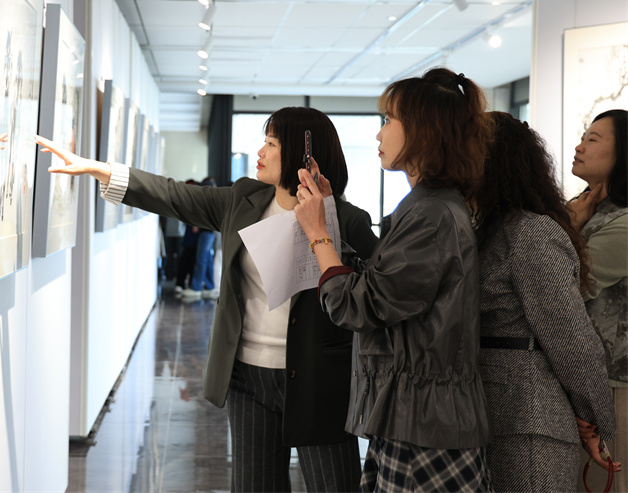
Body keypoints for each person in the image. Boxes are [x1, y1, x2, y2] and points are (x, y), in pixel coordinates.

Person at [37, 107, 378, 492]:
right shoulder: (243, 200)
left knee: (335, 486)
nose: (259, 152)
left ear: (303, 156)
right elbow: (174, 196)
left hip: (318, 379)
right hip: (247, 376)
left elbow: (379, 293)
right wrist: (99, 170)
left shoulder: (346, 220)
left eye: (271, 143)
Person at [293, 68, 492, 492]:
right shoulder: (426, 206)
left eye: (388, 120)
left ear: (423, 131)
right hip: (414, 417)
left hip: (425, 426)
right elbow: (382, 284)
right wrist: (327, 212)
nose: (379, 134)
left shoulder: (432, 215)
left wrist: (318, 233)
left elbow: (361, 305)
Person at [472, 112, 618, 491]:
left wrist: (595, 417)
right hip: (513, 415)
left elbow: (570, 340)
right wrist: (594, 415)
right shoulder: (499, 229)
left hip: (529, 424)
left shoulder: (527, 232)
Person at [568, 108, 628, 492]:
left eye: (593, 139)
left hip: (613, 383)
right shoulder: (585, 210)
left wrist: (568, 225)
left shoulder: (623, 222)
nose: (579, 146)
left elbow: (568, 285)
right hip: (584, 380)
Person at [182, 177, 219, 302]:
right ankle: (209, 286)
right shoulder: (214, 199)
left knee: (201, 259)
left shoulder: (206, 200)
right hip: (210, 233)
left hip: (206, 233)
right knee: (207, 260)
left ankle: (196, 288)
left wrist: (197, 225)